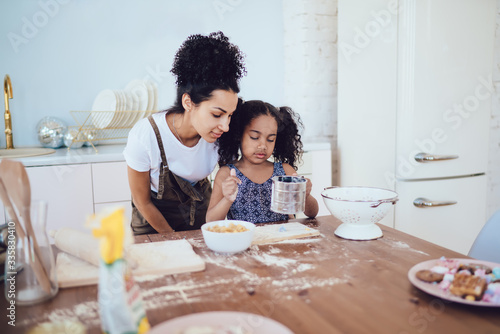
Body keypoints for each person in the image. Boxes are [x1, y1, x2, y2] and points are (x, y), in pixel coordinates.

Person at [124, 31, 246, 235]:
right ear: (188, 102)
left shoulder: (223, 135)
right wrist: (173, 239)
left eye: (230, 115)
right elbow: (142, 201)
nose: (225, 126)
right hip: (152, 225)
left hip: (200, 218)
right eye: (217, 114)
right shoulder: (146, 136)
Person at [206, 100, 319, 223]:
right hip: (244, 240)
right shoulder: (227, 174)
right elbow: (211, 221)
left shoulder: (285, 172)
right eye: (255, 137)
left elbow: (313, 213)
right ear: (239, 134)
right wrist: (227, 199)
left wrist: (305, 195)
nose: (263, 145)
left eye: (270, 139)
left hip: (281, 239)